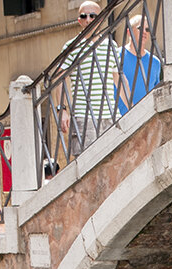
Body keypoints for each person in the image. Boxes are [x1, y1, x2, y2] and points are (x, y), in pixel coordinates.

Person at [57, 1, 119, 155]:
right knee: (87, 163)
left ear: (100, 19)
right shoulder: (71, 46)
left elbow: (118, 78)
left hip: (111, 115)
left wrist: (129, 107)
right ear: (79, 20)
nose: (88, 19)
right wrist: (62, 110)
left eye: (93, 16)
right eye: (84, 16)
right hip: (84, 116)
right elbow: (60, 79)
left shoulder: (111, 45)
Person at [115, 13, 161, 115]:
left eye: (147, 29)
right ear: (129, 32)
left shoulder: (155, 62)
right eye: (140, 28)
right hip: (118, 120)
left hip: (146, 119)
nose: (144, 32)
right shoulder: (116, 56)